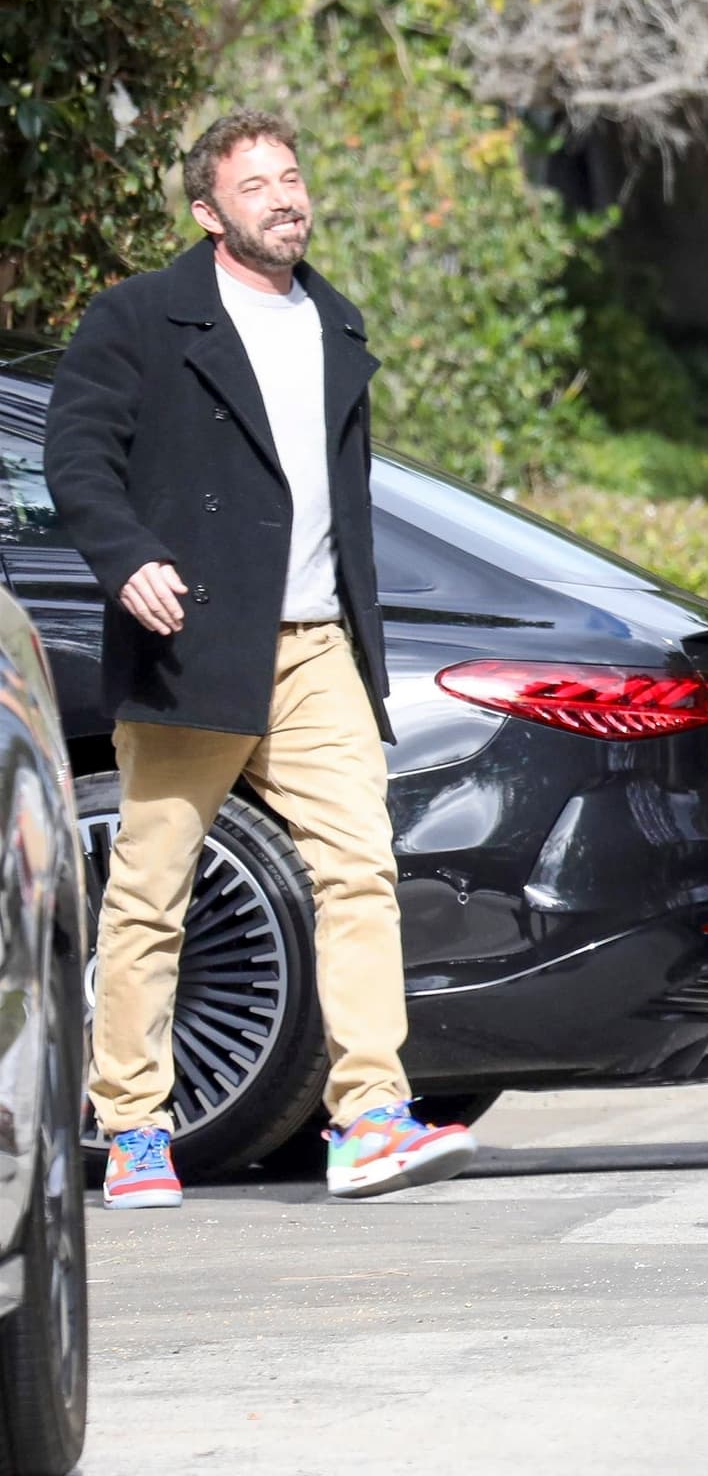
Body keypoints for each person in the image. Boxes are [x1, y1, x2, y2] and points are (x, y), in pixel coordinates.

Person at [45, 110, 478, 1208]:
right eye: (257, 186)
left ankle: (370, 1115)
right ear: (207, 211)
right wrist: (127, 557)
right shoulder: (142, 317)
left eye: (292, 178)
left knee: (359, 867)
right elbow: (76, 457)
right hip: (192, 640)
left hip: (318, 646)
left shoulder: (334, 320)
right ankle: (134, 1127)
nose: (285, 198)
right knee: (151, 893)